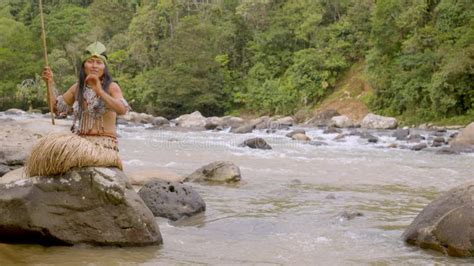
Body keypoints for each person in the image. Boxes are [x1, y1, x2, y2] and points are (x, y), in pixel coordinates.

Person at [25, 41, 131, 177]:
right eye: (90, 61)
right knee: (45, 148)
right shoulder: (77, 88)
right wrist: (49, 83)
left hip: (104, 148)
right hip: (81, 143)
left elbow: (122, 109)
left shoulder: (112, 87)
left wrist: (100, 91)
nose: (94, 66)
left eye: (99, 62)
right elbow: (56, 108)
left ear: (104, 67)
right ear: (83, 66)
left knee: (57, 151)